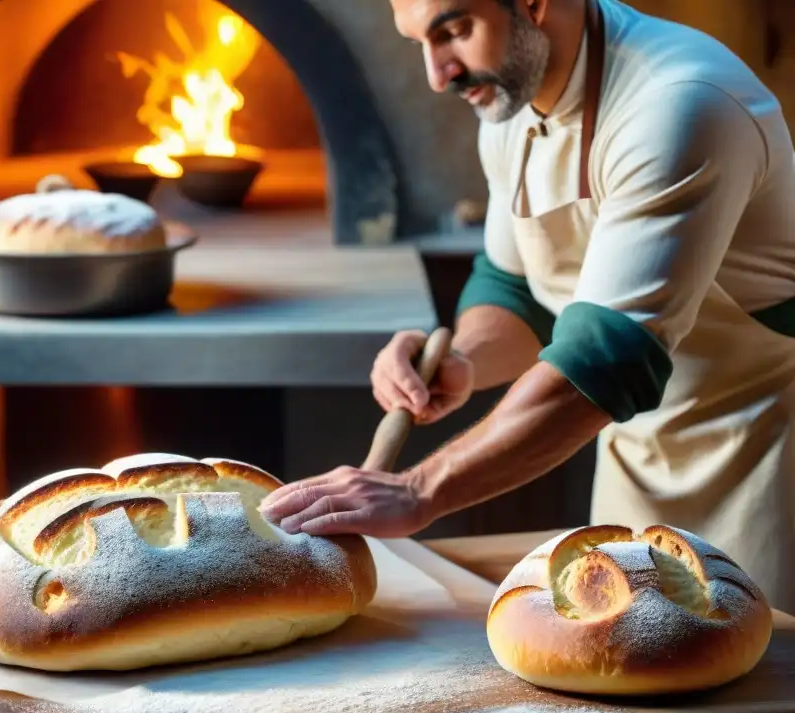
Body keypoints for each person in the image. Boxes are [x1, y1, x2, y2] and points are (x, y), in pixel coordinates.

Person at [259, 0, 795, 614]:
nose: (438, 75)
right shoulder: (512, 98)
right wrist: (461, 360)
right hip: (633, 452)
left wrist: (417, 490)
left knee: (764, 689)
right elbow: (517, 288)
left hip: (762, 454)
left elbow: (606, 366)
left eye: (454, 31)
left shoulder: (681, 104)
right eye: (419, 43)